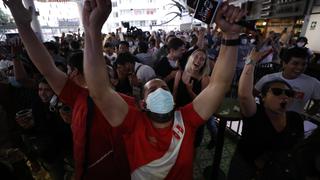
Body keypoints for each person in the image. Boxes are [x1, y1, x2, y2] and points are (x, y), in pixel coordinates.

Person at [82, 0, 246, 179]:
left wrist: (230, 35)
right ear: (143, 104)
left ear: (173, 99)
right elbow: (99, 91)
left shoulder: (186, 119)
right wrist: (93, 29)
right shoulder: (133, 123)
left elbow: (219, 85)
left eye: (164, 88)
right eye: (152, 91)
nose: (160, 91)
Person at [4, 0, 133, 179]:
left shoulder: (126, 105)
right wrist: (23, 24)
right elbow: (46, 68)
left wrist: (92, 29)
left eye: (71, 70)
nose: (68, 74)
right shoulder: (78, 96)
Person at [227, 49, 304, 180]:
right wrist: (251, 62)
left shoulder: (295, 119)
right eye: (277, 92)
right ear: (263, 97)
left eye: (289, 94)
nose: (284, 96)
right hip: (244, 165)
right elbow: (245, 95)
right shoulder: (256, 113)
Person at [255, 47, 320, 114]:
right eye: (295, 63)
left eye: (304, 64)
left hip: (293, 122)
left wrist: (307, 115)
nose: (300, 67)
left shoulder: (313, 83)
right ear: (284, 63)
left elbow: (318, 103)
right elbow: (252, 95)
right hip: (266, 119)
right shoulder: (268, 79)